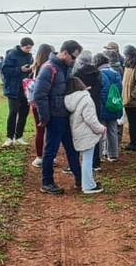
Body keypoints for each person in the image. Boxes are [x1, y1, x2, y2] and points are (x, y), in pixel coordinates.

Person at [31, 40, 82, 194]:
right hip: (54, 116)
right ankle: (46, 182)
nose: (74, 61)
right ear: (64, 53)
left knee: (72, 149)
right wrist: (45, 117)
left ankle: (80, 179)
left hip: (64, 114)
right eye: (73, 57)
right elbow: (39, 95)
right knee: (50, 151)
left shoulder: (65, 68)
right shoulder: (48, 69)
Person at [64, 77, 106, 194]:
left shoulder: (67, 100)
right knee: (88, 159)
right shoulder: (86, 99)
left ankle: (87, 182)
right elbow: (90, 119)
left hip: (76, 133)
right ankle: (88, 185)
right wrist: (101, 129)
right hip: (87, 134)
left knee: (83, 159)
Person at [0, 38, 35, 147]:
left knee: (24, 112)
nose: (29, 50)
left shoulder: (29, 56)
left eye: (30, 48)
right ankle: (9, 137)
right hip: (13, 89)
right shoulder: (11, 54)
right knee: (13, 112)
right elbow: (4, 70)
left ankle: (19, 136)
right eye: (27, 48)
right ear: (21, 46)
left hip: (25, 89)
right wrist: (20, 69)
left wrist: (31, 69)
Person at [74, 50, 103, 165]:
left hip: (80, 105)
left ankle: (76, 162)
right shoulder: (97, 72)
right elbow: (99, 88)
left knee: (77, 133)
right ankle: (95, 161)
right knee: (95, 132)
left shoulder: (77, 73)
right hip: (95, 105)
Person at [27, 43, 54, 168]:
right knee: (50, 130)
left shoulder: (35, 67)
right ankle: (49, 156)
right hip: (47, 101)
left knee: (40, 130)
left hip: (35, 102)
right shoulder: (49, 67)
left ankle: (39, 157)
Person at [95, 54, 123, 161]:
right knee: (113, 130)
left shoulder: (99, 74)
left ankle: (100, 155)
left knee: (101, 130)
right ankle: (113, 154)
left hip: (103, 106)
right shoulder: (116, 73)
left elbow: (102, 91)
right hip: (114, 105)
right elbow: (119, 90)